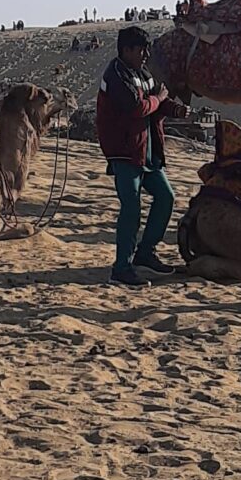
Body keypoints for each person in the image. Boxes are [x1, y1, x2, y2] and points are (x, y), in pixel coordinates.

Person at [96, 26, 176, 287]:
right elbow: (137, 106)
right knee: (131, 207)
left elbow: (155, 103)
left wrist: (174, 108)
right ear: (127, 50)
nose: (145, 55)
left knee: (166, 197)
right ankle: (121, 268)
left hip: (147, 152)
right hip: (124, 152)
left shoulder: (142, 73)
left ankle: (146, 251)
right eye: (141, 50)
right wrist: (160, 98)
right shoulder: (116, 75)